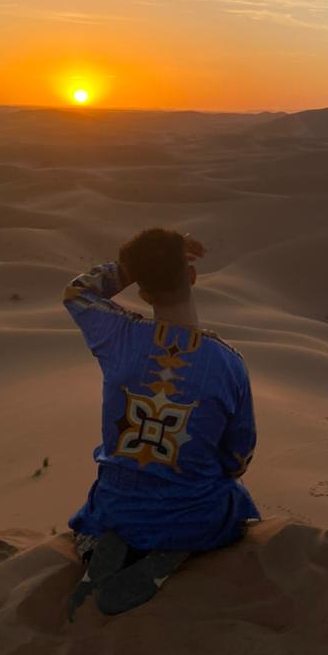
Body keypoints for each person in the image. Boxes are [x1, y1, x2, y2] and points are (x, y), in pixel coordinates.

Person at [63, 229, 258, 616]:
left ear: (143, 293)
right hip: (196, 511)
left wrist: (133, 267)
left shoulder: (119, 337)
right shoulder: (228, 364)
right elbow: (238, 456)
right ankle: (175, 543)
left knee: (107, 502)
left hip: (116, 505)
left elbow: (77, 293)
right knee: (238, 507)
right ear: (192, 276)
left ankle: (106, 541)